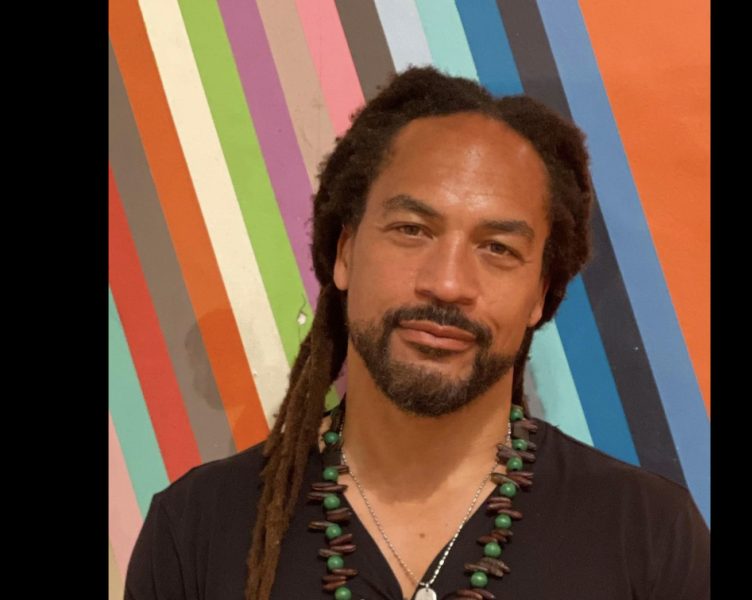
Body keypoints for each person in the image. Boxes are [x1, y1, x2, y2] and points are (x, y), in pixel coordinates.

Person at [124, 66, 710, 600]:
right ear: (346, 252)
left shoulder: (650, 535)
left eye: (498, 248)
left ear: (540, 293)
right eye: (412, 229)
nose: (448, 283)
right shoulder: (198, 527)